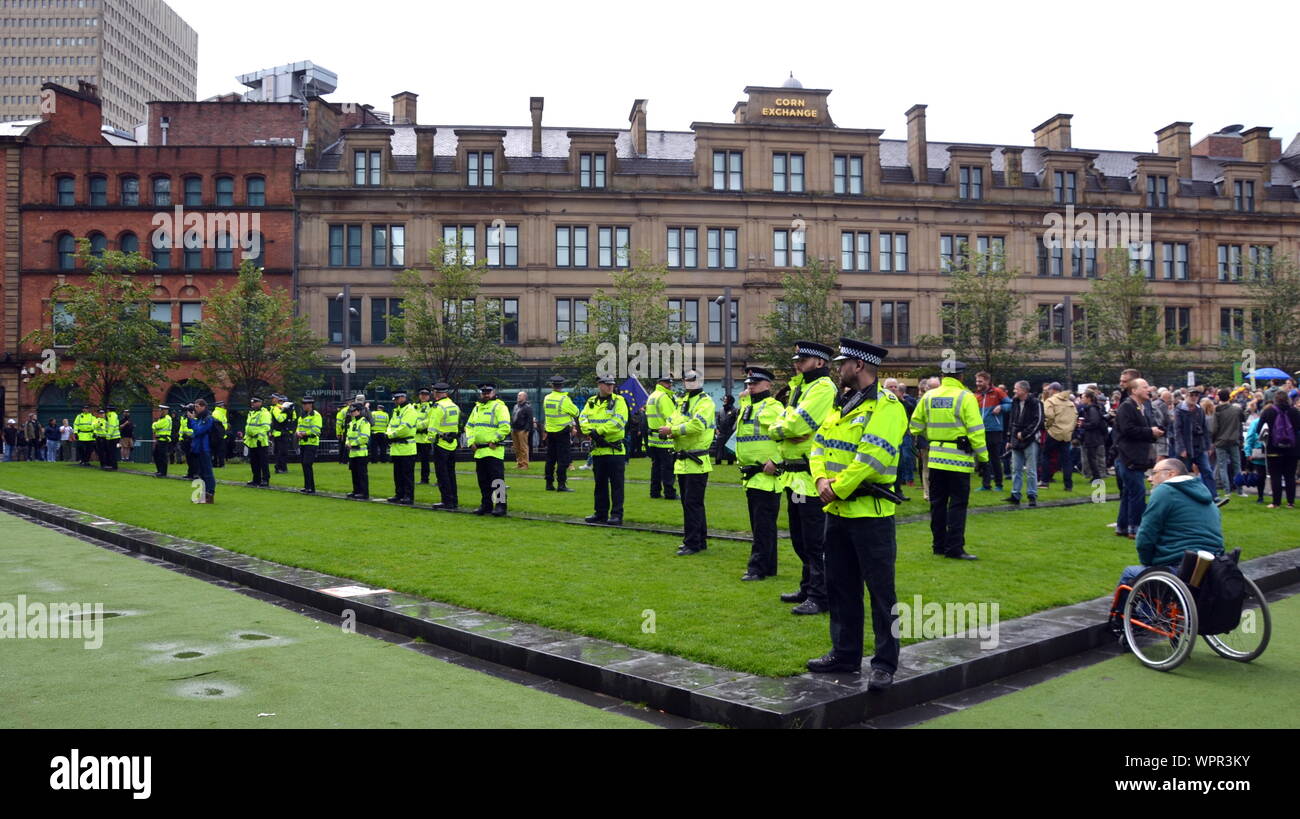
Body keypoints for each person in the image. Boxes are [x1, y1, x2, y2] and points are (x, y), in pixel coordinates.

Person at [806, 337, 907, 690]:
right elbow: (818, 444)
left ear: (859, 366)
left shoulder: (887, 405)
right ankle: (845, 653)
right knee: (840, 586)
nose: (838, 368)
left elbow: (872, 456)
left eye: (842, 363)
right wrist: (819, 477)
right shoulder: (841, 403)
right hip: (837, 510)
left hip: (870, 513)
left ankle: (884, 663)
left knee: (882, 592)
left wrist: (836, 486)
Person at [770, 341, 837, 613]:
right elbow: (787, 422)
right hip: (796, 476)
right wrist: (782, 429)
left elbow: (798, 423)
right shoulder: (800, 387)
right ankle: (808, 586)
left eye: (804, 359)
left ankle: (821, 596)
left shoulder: (822, 388)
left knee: (815, 540)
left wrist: (781, 428)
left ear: (819, 362)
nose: (797, 363)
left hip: (812, 475)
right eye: (797, 359)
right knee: (800, 537)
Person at [908, 361, 986, 560]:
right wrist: (983, 457)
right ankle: (955, 548)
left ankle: (938, 545)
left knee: (938, 503)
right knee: (958, 504)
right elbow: (976, 430)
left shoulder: (929, 396)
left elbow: (915, 426)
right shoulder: (966, 397)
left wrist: (932, 436)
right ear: (960, 376)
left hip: (935, 457)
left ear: (943, 376)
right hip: (959, 458)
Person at [1116, 457, 1224, 591]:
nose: (1150, 478)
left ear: (1171, 474)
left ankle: (1130, 612)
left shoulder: (1165, 491)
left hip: (1179, 566)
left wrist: (1148, 563)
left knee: (1130, 574)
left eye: (1154, 473)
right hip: (1213, 566)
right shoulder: (1206, 495)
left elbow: (1145, 537)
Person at [660, 370, 715, 556]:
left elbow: (697, 426)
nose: (688, 383)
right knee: (690, 503)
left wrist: (672, 430)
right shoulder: (683, 401)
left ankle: (692, 542)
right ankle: (699, 539)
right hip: (683, 460)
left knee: (692, 503)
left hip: (696, 460)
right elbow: (672, 419)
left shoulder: (705, 402)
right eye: (685, 380)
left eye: (692, 380)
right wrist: (670, 427)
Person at [736, 367, 783, 581]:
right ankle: (768, 566)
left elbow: (787, 437)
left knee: (762, 527)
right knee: (762, 526)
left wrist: (777, 461)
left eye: (754, 383)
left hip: (765, 476)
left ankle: (757, 568)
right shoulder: (749, 406)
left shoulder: (773, 407)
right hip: (752, 476)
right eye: (748, 384)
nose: (750, 387)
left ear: (767, 385)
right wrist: (744, 400)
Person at [1114, 378, 1163, 538]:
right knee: (1138, 493)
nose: (1149, 389)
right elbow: (1128, 430)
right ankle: (1135, 528)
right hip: (1129, 457)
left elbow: (1142, 428)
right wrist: (1150, 432)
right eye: (1145, 387)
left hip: (1137, 456)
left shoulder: (1142, 407)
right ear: (1134, 390)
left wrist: (1154, 432)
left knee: (1130, 492)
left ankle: (1122, 526)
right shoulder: (1126, 407)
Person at [579, 376, 628, 525]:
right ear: (599, 385)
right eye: (607, 384)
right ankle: (600, 513)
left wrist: (597, 432)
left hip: (614, 450)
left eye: (612, 384)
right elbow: (582, 419)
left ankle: (616, 515)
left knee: (617, 485)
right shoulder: (591, 401)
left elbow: (619, 421)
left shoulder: (619, 401)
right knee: (600, 485)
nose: (610, 387)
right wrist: (590, 431)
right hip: (598, 451)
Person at [467, 383, 510, 516]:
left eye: (488, 392)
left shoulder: (499, 406)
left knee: (497, 480)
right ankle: (486, 505)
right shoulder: (477, 408)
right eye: (484, 392)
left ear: (493, 392)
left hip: (493, 450)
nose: (486, 394)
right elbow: (469, 426)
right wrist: (470, 442)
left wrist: (495, 440)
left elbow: (505, 427)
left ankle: (501, 506)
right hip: (479, 451)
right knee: (483, 480)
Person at [1257, 390, 1300, 508]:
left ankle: (1276, 502)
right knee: (1290, 476)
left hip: (1273, 448)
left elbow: (1259, 429)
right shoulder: (1294, 412)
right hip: (1292, 449)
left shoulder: (1268, 411)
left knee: (1275, 475)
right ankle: (1290, 502)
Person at [1004, 380, 1042, 507]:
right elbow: (1012, 420)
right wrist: (1010, 439)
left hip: (1030, 439)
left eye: (1016, 388)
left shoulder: (1036, 403)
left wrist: (1025, 434)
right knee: (1016, 469)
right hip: (1016, 438)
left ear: (1024, 390)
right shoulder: (1014, 402)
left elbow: (1038, 421)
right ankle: (1015, 494)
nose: (1014, 391)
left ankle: (1032, 495)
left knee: (1031, 470)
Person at [541, 376, 579, 492]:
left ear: (552, 385)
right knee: (563, 459)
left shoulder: (546, 398)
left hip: (550, 432)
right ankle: (561, 484)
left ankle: (549, 483)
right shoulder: (564, 399)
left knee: (550, 459)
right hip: (562, 432)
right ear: (562, 385)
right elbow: (576, 412)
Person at [1176, 387, 1215, 497]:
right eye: (1191, 395)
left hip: (1200, 446)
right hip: (1186, 446)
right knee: (1183, 473)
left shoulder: (1199, 410)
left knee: (1207, 471)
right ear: (1186, 396)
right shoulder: (1179, 410)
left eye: (1196, 395)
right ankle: (1182, 496)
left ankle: (1212, 496)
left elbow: (1204, 429)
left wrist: (1208, 446)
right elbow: (1177, 430)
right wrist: (1181, 448)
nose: (1194, 397)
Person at [644, 375, 678, 500]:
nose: (669, 385)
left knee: (656, 467)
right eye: (667, 382)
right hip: (665, 440)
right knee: (668, 468)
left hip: (653, 439)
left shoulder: (652, 396)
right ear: (660, 383)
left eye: (670, 382)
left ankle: (655, 492)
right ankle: (669, 493)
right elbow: (671, 418)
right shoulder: (664, 397)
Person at [429, 383, 461, 510]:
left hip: (441, 443)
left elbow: (433, 427)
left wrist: (429, 440)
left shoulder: (438, 407)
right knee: (451, 473)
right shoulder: (454, 406)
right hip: (452, 443)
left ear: (436, 393)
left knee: (442, 475)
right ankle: (454, 500)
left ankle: (446, 501)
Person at [884, 378, 918, 501]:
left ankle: (898, 490)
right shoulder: (882, 401)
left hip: (902, 435)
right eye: (890, 387)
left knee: (901, 463)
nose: (893, 389)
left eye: (895, 387)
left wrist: (902, 399)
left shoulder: (902, 402)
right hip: (887, 436)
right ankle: (888, 490)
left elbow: (912, 411)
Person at [974, 372, 1008, 492]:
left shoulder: (997, 392)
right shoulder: (976, 395)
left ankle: (999, 484)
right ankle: (986, 484)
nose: (978, 383)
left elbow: (1010, 404)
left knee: (995, 458)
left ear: (988, 381)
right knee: (983, 458)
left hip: (994, 429)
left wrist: (1001, 407)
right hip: (980, 430)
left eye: (980, 381)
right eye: (977, 381)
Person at [1040, 382, 1076, 490]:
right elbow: (1075, 417)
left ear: (1053, 390)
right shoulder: (1070, 402)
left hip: (1054, 432)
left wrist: (1047, 426)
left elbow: (1049, 415)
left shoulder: (1050, 401)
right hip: (1066, 434)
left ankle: (1045, 481)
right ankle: (1068, 485)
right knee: (1066, 460)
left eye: (1049, 389)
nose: (1048, 391)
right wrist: (1069, 429)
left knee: (1046, 456)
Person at [386, 390, 418, 505]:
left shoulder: (410, 410)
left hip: (407, 447)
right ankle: (399, 494)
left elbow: (405, 428)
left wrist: (390, 435)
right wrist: (389, 433)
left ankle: (408, 496)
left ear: (402, 398)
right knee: (397, 474)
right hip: (396, 448)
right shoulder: (397, 411)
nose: (395, 401)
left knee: (407, 475)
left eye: (396, 399)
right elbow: (390, 425)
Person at [1213, 388, 1244, 499]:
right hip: (1234, 440)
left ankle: (1227, 491)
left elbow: (1214, 428)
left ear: (1219, 397)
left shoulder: (1217, 411)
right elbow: (1241, 423)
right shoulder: (1236, 410)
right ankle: (1240, 490)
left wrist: (1213, 440)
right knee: (1237, 466)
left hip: (1220, 441)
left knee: (1222, 466)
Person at [187, 399, 217, 504]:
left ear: (203, 406)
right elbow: (191, 427)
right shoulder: (200, 418)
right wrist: (191, 418)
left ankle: (210, 494)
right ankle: (203, 495)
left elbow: (199, 431)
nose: (195, 408)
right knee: (202, 473)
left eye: (197, 406)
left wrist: (192, 420)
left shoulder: (208, 419)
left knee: (208, 473)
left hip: (205, 448)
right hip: (199, 449)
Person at [1078, 390, 1109, 481]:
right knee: (1091, 457)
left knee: (1092, 457)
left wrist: (1083, 425)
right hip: (1093, 436)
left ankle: (1096, 476)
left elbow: (1094, 423)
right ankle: (1096, 476)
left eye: (1083, 397)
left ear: (1089, 398)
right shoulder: (1091, 408)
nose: (1081, 399)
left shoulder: (1092, 409)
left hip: (1093, 437)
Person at [243, 396, 272, 487]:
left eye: (255, 402)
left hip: (261, 442)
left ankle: (265, 479)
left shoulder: (264, 413)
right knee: (254, 462)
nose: (253, 404)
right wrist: (246, 437)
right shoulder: (251, 413)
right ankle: (256, 479)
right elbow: (248, 427)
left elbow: (266, 427)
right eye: (252, 402)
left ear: (260, 403)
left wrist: (259, 437)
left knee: (263, 462)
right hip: (251, 441)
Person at [296, 396, 322, 494]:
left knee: (307, 464)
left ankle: (311, 487)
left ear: (310, 405)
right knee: (304, 464)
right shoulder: (302, 415)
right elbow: (298, 427)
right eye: (303, 404)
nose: (303, 406)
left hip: (311, 443)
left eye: (305, 404)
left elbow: (316, 430)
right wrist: (297, 432)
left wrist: (304, 433)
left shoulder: (316, 415)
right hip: (303, 442)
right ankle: (307, 486)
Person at [345, 402, 371, 500]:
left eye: (354, 411)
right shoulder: (352, 423)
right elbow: (348, 435)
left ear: (359, 411)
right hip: (353, 453)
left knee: (361, 474)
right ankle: (356, 491)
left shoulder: (364, 422)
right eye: (351, 411)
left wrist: (353, 443)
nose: (352, 413)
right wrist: (347, 442)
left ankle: (364, 493)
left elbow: (364, 438)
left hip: (361, 452)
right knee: (354, 474)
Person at [1244, 402, 1268, 503]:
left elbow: (1249, 438)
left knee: (1261, 476)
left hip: (1259, 452)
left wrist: (1248, 452)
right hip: (1273, 452)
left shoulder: (1256, 422)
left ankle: (1261, 496)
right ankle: (1276, 498)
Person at [413, 387, 434, 484]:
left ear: (429, 396)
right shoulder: (414, 406)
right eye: (422, 394)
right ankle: (410, 478)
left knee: (425, 461)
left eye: (425, 395)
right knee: (411, 460)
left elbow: (430, 420)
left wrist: (417, 426)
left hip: (425, 438)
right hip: (415, 438)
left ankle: (425, 479)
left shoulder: (432, 406)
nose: (423, 396)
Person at [511, 391, 534, 470]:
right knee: (516, 447)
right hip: (514, 429)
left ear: (525, 397)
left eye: (520, 395)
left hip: (522, 430)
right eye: (518, 395)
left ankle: (525, 464)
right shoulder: (515, 406)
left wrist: (526, 429)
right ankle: (519, 463)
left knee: (523, 447)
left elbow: (529, 419)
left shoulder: (527, 407)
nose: (518, 397)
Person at [150, 405, 172, 477]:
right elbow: (155, 427)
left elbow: (155, 426)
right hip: (159, 440)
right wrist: (155, 426)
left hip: (163, 440)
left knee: (162, 456)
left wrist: (154, 424)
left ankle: (163, 472)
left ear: (165, 411)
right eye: (160, 410)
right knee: (156, 455)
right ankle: (159, 470)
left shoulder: (166, 419)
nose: (160, 412)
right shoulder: (162, 418)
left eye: (161, 410)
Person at [210, 401, 228, 468]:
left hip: (220, 435)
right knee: (219, 450)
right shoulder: (217, 413)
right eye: (223, 405)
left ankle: (218, 464)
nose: (224, 406)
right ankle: (219, 464)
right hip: (218, 435)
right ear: (221, 406)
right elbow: (217, 426)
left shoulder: (221, 413)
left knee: (219, 450)